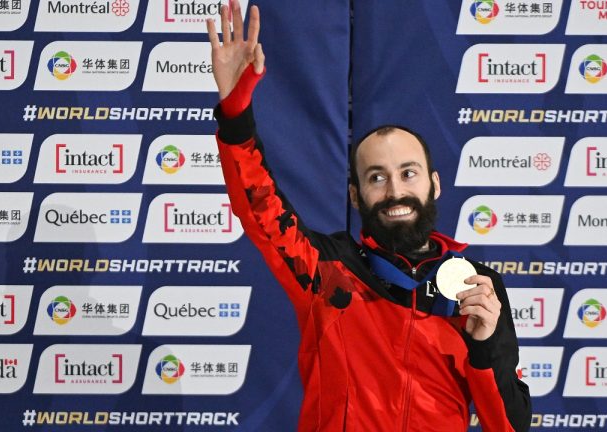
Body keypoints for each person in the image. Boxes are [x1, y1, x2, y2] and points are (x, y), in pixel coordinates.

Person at [207, 4, 531, 431]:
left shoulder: (477, 288)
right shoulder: (326, 271)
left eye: (408, 174)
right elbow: (259, 206)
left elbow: (509, 426)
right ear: (356, 197)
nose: (395, 191)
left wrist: (485, 346)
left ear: (434, 184)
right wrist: (236, 111)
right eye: (377, 178)